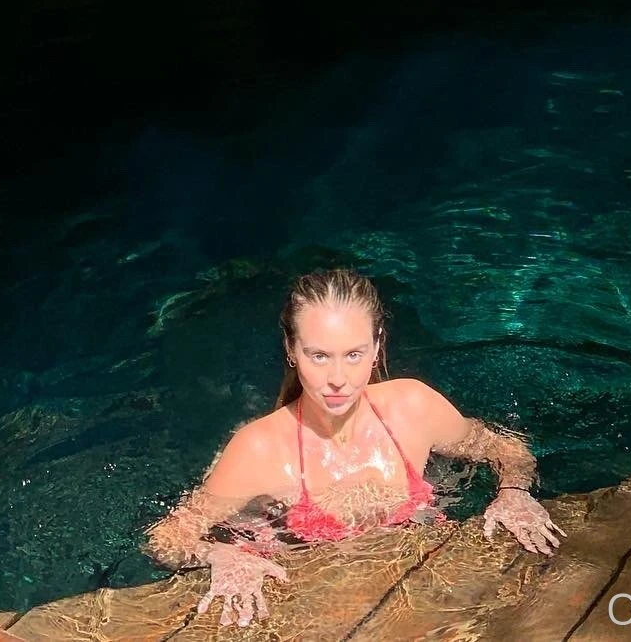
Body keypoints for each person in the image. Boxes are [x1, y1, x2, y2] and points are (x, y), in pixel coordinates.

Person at [145, 268, 565, 627]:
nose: (338, 378)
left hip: (423, 588)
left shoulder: (412, 407)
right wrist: (219, 555)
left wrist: (514, 493)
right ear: (291, 350)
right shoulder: (260, 450)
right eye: (319, 356)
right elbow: (166, 539)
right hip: (317, 606)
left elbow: (507, 449)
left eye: (353, 354)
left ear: (377, 347)